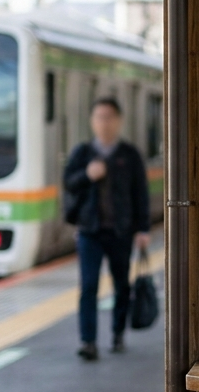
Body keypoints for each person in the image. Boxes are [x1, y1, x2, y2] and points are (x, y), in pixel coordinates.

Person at [63, 98, 151, 361]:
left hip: (120, 231)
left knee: (121, 284)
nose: (104, 122)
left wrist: (143, 229)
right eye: (99, 117)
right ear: (92, 121)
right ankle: (88, 341)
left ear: (119, 120)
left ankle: (118, 333)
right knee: (88, 286)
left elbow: (140, 194)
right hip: (89, 231)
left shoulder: (129, 155)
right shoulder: (82, 153)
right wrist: (87, 175)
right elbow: (68, 183)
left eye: (109, 117)